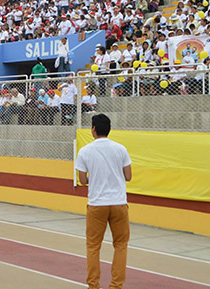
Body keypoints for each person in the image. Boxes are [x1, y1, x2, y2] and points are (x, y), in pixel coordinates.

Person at [75, 114, 132, 289]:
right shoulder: (120, 149)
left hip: (97, 203)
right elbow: (128, 176)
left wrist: (95, 178)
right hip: (118, 202)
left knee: (93, 246)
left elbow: (82, 180)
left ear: (93, 129)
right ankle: (116, 285)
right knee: (120, 245)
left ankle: (93, 285)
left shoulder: (85, 151)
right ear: (109, 129)